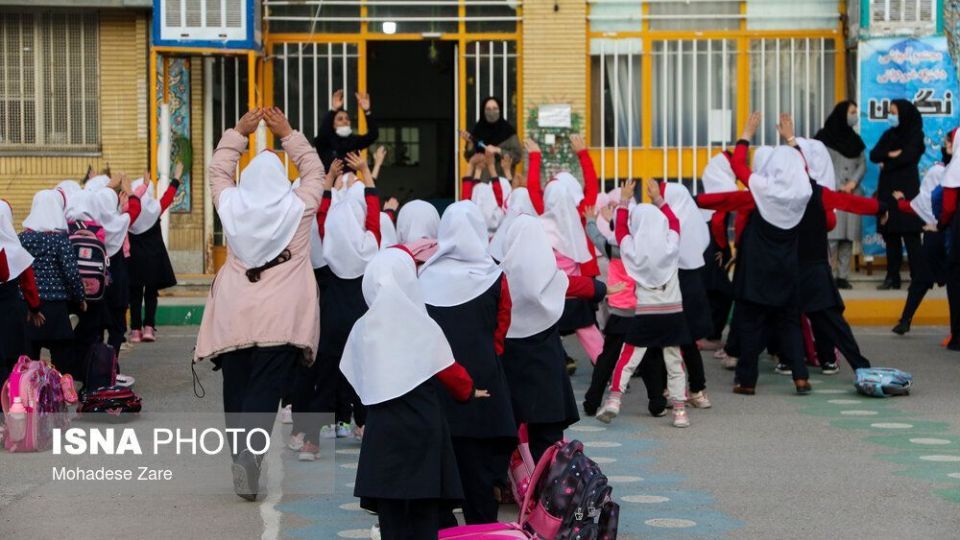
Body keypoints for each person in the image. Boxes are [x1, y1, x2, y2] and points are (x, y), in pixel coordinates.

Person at [194, 107, 324, 501]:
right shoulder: (298, 208)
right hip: (280, 317)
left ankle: (241, 459)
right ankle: (249, 457)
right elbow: (315, 170)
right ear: (283, 182)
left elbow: (218, 172)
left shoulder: (231, 206)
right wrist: (287, 133)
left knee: (236, 388)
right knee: (265, 390)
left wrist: (238, 133)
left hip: (234, 313)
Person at [341, 247, 484, 539]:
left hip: (383, 432)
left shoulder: (363, 328)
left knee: (391, 515)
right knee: (425, 512)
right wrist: (468, 393)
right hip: (423, 428)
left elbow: (355, 381)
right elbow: (452, 374)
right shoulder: (423, 325)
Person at [696, 113, 812, 395]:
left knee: (750, 325)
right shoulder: (803, 193)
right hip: (787, 269)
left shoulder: (759, 193)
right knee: (789, 324)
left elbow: (737, 167)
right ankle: (800, 377)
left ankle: (746, 381)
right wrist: (791, 139)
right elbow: (804, 168)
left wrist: (746, 134)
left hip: (756, 271)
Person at [419, 201, 515, 525]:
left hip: (434, 392)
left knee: (437, 483)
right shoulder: (495, 276)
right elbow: (500, 334)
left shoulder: (421, 278)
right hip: (484, 390)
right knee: (481, 485)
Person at [294, 151, 383, 459]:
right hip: (362, 311)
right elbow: (372, 207)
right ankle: (367, 427)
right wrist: (365, 171)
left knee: (326, 376)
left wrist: (330, 179)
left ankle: (311, 442)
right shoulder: (370, 241)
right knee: (364, 372)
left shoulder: (326, 242)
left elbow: (323, 212)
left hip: (332, 314)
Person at [496, 214, 604, 461]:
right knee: (546, 437)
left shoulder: (497, 278)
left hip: (509, 366)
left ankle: (511, 484)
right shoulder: (550, 278)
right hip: (546, 370)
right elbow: (580, 286)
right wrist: (604, 289)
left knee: (508, 431)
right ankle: (543, 488)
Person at [596, 179, 692, 428]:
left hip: (646, 313)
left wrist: (625, 201)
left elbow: (621, 232)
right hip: (673, 311)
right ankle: (680, 411)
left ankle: (614, 400)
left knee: (628, 357)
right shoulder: (671, 245)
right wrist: (658, 198)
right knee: (674, 360)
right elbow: (674, 222)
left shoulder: (633, 250)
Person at [890, 129, 956, 335]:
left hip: (940, 232)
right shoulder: (943, 171)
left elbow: (930, 203)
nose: (946, 149)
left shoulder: (940, 172)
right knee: (929, 279)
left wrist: (901, 202)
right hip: (947, 233)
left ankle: (906, 320)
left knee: (923, 280)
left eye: (949, 144)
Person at [18, 190, 86, 374]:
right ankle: (61, 396)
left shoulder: (21, 239)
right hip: (56, 308)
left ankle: (31, 396)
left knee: (30, 361)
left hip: (29, 307)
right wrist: (80, 298)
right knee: (62, 359)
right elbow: (71, 273)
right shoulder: (60, 240)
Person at [663, 182, 713, 408]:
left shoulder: (668, 221)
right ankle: (697, 389)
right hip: (693, 284)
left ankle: (667, 389)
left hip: (672, 284)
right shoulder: (696, 221)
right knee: (688, 341)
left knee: (666, 340)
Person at [870, 99, 926, 290]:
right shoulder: (888, 134)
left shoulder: (915, 135)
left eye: (894, 112)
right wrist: (892, 154)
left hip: (907, 192)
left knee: (911, 237)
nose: (891, 116)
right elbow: (874, 155)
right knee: (890, 235)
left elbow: (908, 157)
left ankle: (918, 278)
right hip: (887, 191)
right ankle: (892, 277)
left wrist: (889, 160)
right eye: (890, 112)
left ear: (903, 113)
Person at [86, 174, 142, 364]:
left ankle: (95, 366)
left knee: (96, 327)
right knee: (117, 328)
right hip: (117, 282)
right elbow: (135, 209)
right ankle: (112, 363)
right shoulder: (119, 222)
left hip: (96, 286)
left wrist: (107, 186)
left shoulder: (89, 224)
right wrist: (130, 191)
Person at [816, 100, 867, 290]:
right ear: (842, 114)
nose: (855, 116)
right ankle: (828, 275)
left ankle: (842, 276)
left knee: (847, 237)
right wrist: (837, 184)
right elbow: (820, 164)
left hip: (852, 194)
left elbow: (862, 164)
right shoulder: (823, 138)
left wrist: (853, 182)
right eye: (852, 111)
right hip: (833, 193)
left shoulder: (856, 140)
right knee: (832, 238)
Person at [127, 167, 181, 343]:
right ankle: (149, 328)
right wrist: (176, 178)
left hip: (134, 260)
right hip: (154, 258)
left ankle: (135, 330)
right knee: (151, 294)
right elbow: (168, 197)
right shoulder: (155, 207)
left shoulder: (130, 213)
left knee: (135, 295)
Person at [698, 152, 737, 357]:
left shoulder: (712, 189)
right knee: (722, 292)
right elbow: (718, 224)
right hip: (714, 248)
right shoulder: (726, 190)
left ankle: (705, 335)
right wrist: (724, 250)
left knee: (710, 291)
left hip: (706, 247)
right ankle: (709, 336)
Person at [0, 200, 43, 384]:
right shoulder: (14, 249)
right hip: (9, 312)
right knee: (10, 356)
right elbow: (28, 284)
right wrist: (34, 309)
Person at [314, 89, 378, 172]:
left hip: (350, 183)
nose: (345, 121)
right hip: (329, 183)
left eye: (347, 119)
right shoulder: (325, 141)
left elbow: (373, 134)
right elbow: (322, 134)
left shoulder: (353, 141)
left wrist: (367, 111)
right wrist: (333, 110)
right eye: (340, 119)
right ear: (333, 124)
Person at [461, 96, 522, 180]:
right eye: (488, 109)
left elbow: (517, 156)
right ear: (483, 111)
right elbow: (469, 158)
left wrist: (498, 150)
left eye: (495, 108)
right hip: (480, 182)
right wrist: (470, 143)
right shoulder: (478, 129)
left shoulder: (508, 132)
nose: (491, 112)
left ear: (500, 110)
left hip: (501, 182)